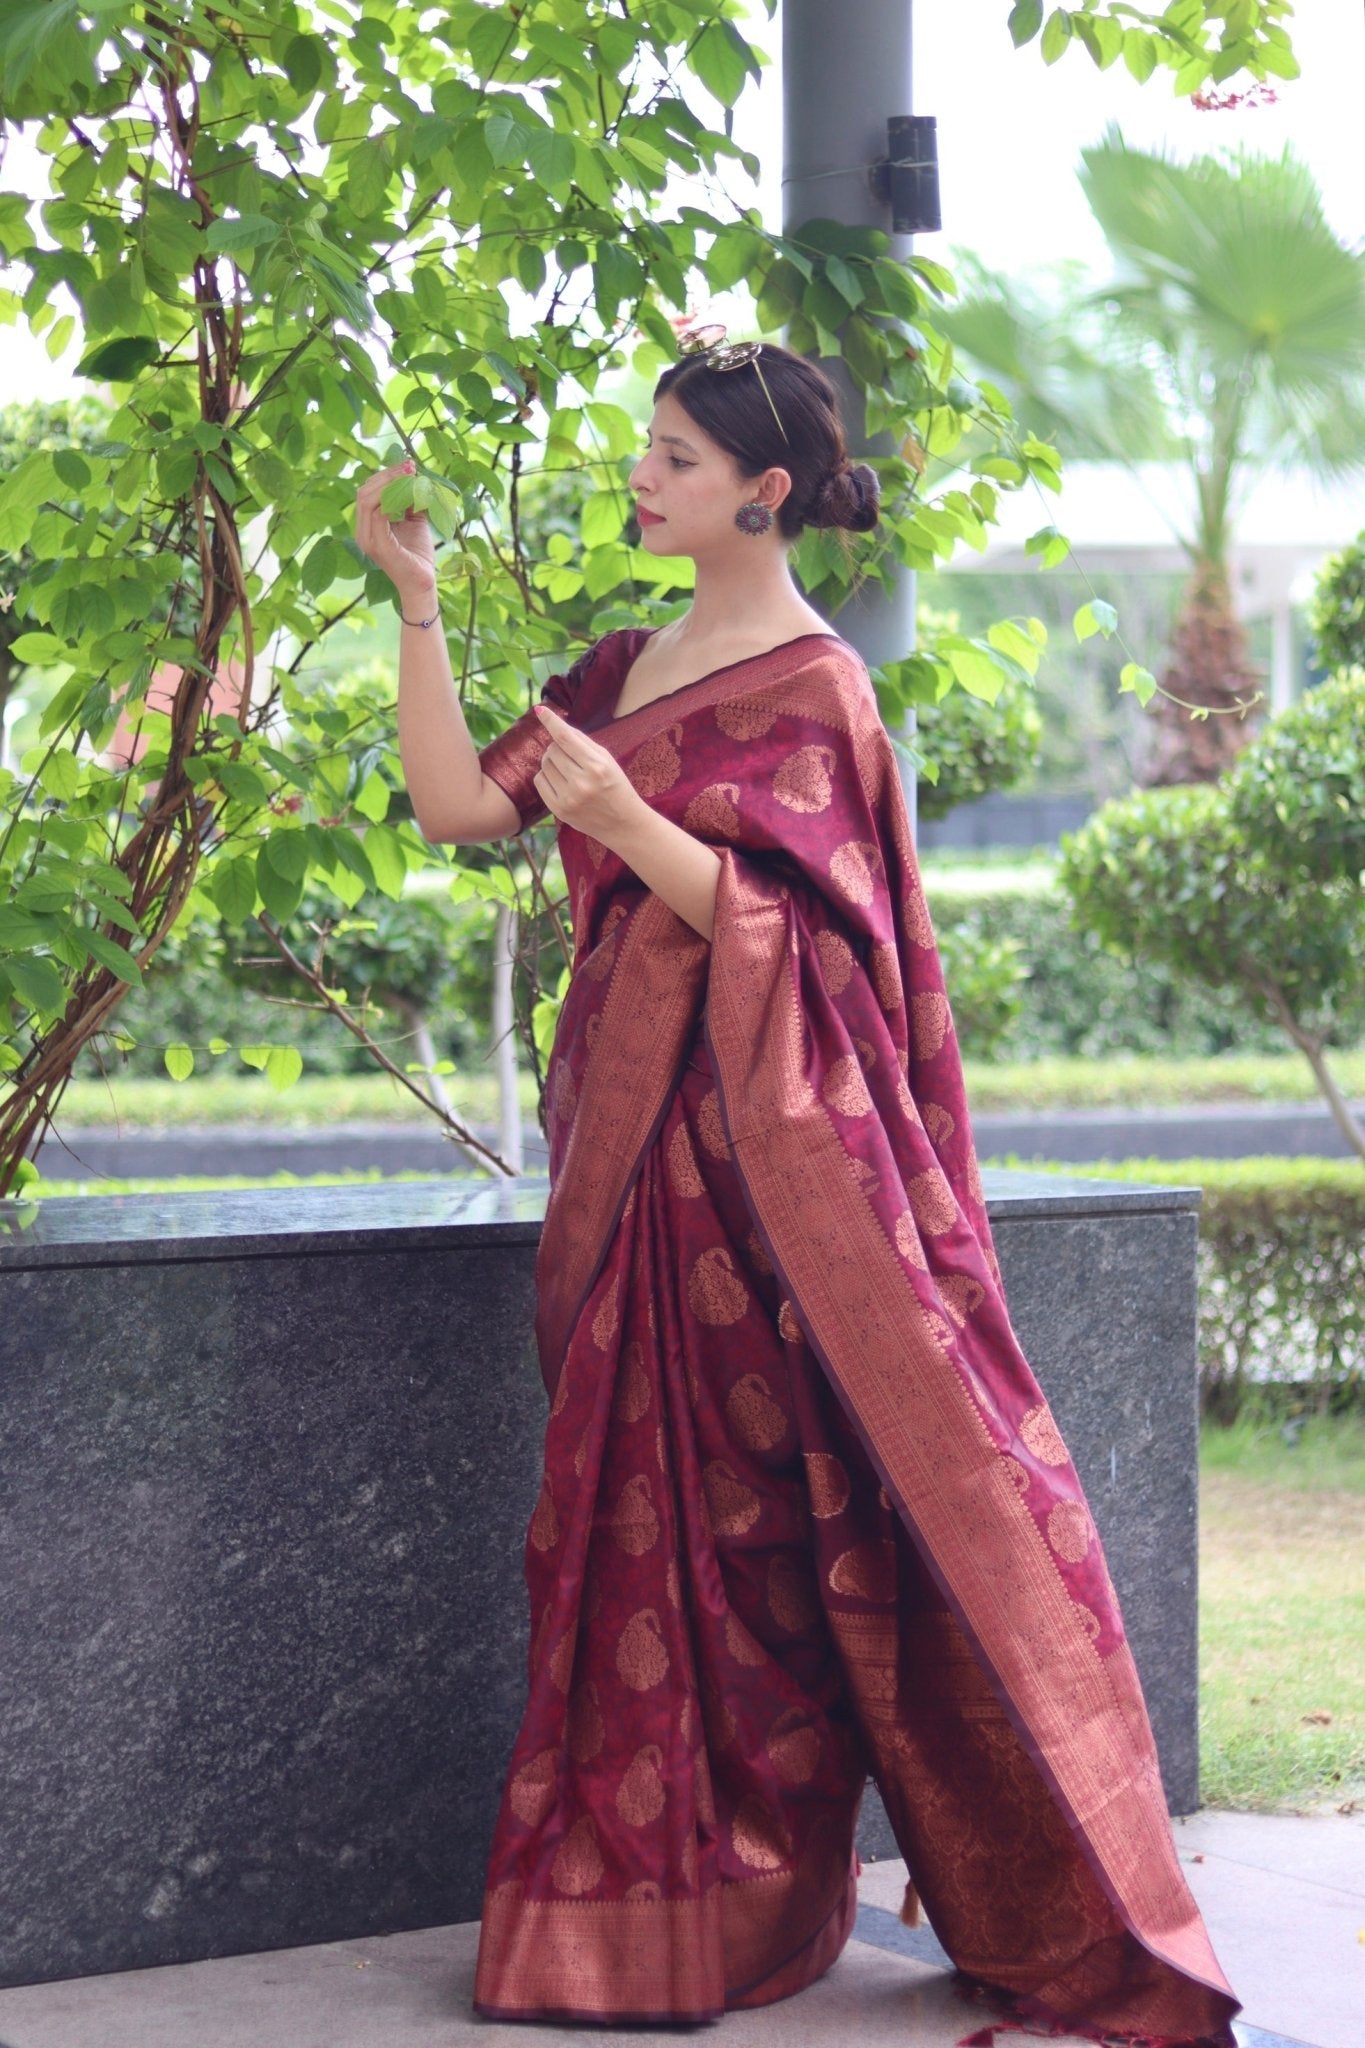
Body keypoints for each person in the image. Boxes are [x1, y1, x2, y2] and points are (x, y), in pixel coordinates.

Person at [354, 338, 1239, 2046]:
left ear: (763, 491)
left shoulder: (821, 685)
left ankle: (766, 1893)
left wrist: (633, 817)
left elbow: (804, 948)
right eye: (647, 448)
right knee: (617, 1533)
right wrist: (417, 605)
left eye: (673, 458)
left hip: (757, 1176)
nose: (643, 475)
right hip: (620, 1166)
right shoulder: (625, 661)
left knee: (762, 1535)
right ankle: (634, 1903)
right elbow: (457, 803)